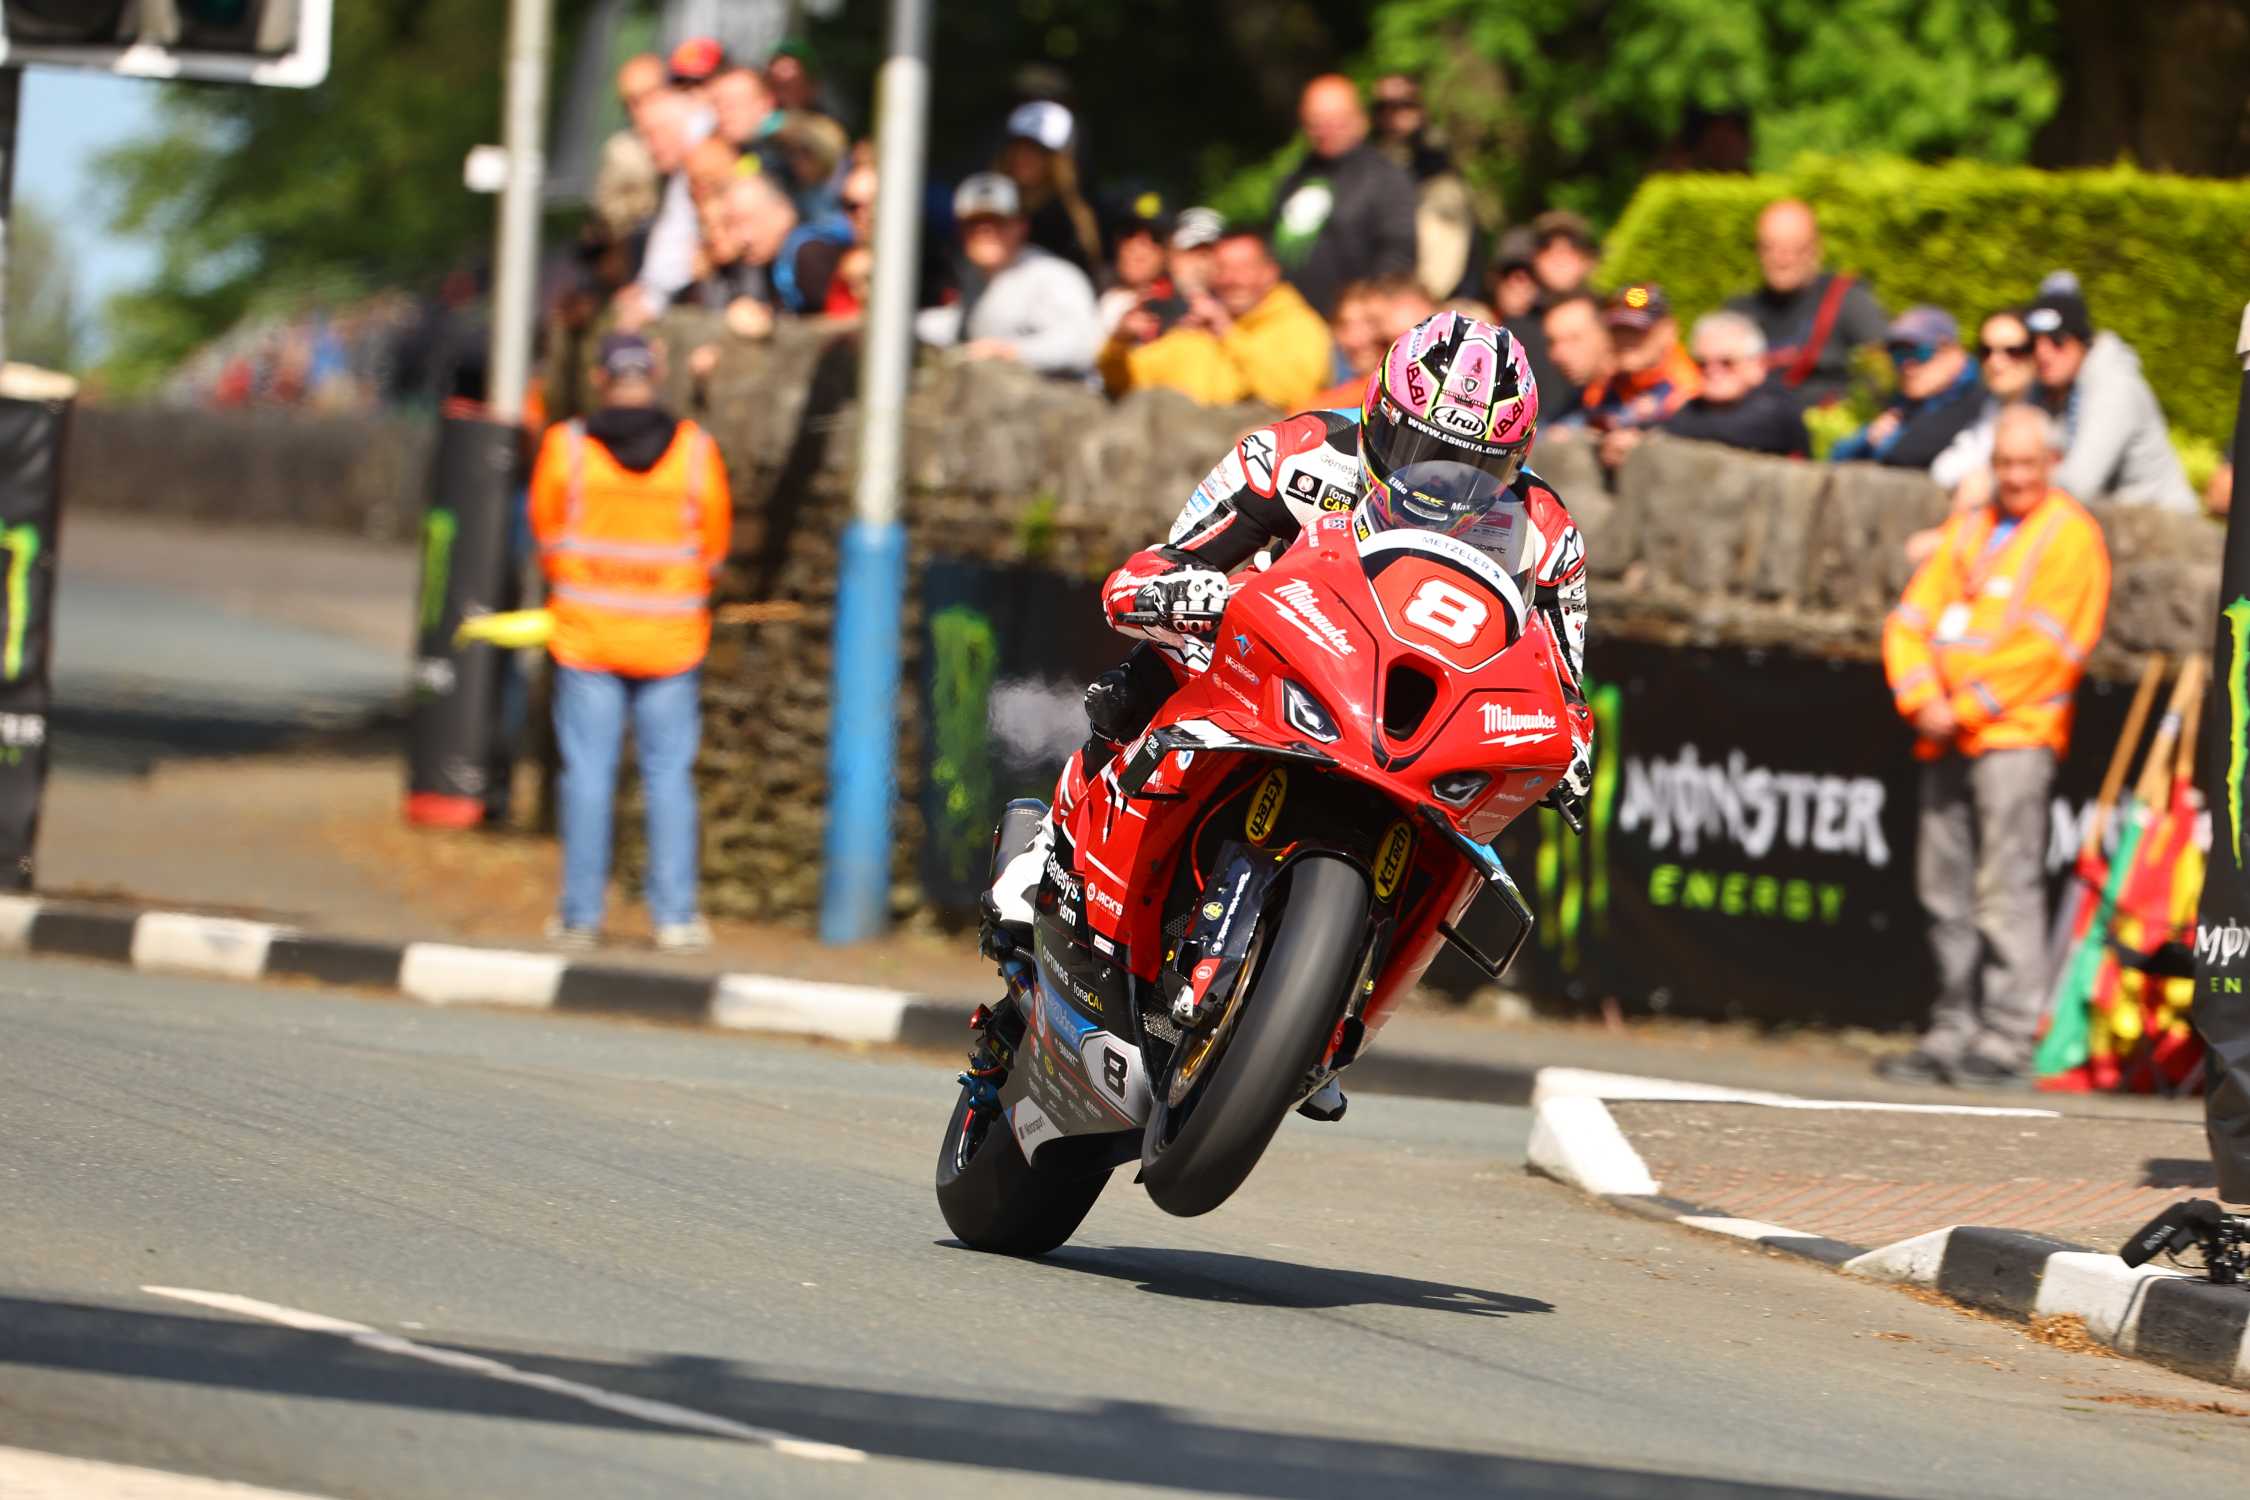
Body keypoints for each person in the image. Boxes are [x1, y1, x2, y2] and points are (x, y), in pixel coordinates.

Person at [986, 312, 1593, 1117]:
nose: (1444, 484)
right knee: (1143, 677)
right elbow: (1161, 563)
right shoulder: (1297, 454)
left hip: (1404, 714)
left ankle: (1327, 1000)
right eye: (1422, 452)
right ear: (1379, 420)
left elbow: (1565, 679)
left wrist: (1571, 754)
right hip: (1263, 660)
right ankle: (1054, 857)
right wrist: (1189, 590)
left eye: (1477, 467)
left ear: (1515, 460)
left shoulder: (1543, 533)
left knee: (1461, 832)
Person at [1879, 404, 2111, 1087]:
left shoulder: (2072, 537)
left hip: (2013, 736)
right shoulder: (1972, 527)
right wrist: (1924, 700)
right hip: (1946, 733)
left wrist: (1963, 705)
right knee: (1943, 889)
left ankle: (2007, 1039)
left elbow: (2052, 647)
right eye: (2004, 464)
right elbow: (1909, 621)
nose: (2013, 477)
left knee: (2004, 889)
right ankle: (1953, 1028)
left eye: (2027, 465)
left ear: (2053, 466)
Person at [528, 333, 732, 953]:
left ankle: (579, 916)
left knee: (588, 776)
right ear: (659, 371)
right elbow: (716, 546)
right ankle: (675, 918)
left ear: (598, 377)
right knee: (668, 777)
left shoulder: (565, 446)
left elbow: (543, 532)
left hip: (587, 638)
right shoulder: (696, 451)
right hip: (671, 641)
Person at [1100, 227, 1333, 410]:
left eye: (1244, 268)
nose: (1232, 279)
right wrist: (1120, 341)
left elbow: (1296, 393)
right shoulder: (1198, 329)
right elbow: (1126, 382)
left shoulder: (1298, 324)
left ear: (1270, 272)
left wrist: (1229, 333)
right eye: (1222, 268)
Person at [2025, 287, 2198, 512]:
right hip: (2122, 527)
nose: (2043, 353)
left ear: (2082, 341)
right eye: (2032, 344)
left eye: (2057, 341)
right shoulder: (2055, 389)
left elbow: (2077, 485)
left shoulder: (2115, 386)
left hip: (2164, 532)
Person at [915, 174, 1102, 380]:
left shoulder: (1051, 275)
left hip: (1066, 405)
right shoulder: (975, 278)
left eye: (998, 221)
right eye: (974, 222)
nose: (985, 230)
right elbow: (951, 324)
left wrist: (1010, 352)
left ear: (1021, 226)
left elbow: (1083, 346)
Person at [1268, 75, 1418, 318]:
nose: (1326, 130)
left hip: (1355, 324)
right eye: (1316, 121)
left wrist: (1368, 307)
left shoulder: (1384, 177)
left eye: (1336, 121)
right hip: (1294, 322)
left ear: (1360, 119)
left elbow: (1398, 254)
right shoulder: (1293, 179)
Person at [1725, 199, 1887, 409]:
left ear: (1816, 249)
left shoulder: (1848, 301)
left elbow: (1884, 373)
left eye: (1794, 248)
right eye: (1770, 247)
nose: (1781, 259)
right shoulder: (1738, 312)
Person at [1829, 307, 1985, 468]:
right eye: (1898, 355)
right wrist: (1868, 439)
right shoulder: (1905, 404)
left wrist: (1887, 442)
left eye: (1920, 353)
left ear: (1952, 353)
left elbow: (1904, 454)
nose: (1907, 366)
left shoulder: (1980, 399)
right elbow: (1836, 456)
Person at [1369, 73, 1478, 301]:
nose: (1394, 115)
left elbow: (1440, 270)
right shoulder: (1367, 164)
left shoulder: (1438, 170)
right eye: (1384, 107)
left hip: (1427, 301)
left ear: (1420, 110)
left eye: (1404, 105)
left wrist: (1416, 303)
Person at [1654, 311, 1808, 457]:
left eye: (1727, 362)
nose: (1712, 371)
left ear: (1756, 364)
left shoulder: (1777, 408)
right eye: (1701, 363)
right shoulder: (1691, 409)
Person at [1582, 284, 1700, 466]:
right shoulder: (1608, 382)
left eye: (1639, 330)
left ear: (1669, 331)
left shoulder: (1688, 387)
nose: (1626, 340)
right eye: (1619, 329)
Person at [1930, 309, 2038, 494]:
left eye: (2013, 352)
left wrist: (1991, 481)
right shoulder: (1990, 407)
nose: (1995, 362)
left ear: (2034, 353)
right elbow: (1944, 469)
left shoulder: (2047, 415)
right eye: (1986, 351)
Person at [994, 100, 1105, 277]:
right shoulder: (989, 211)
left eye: (1036, 150)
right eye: (1018, 146)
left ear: (1058, 161)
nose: (1022, 157)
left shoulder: (1065, 222)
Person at [1487, 227, 1575, 424]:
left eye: (1530, 275)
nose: (1519, 283)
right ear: (1494, 279)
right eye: (1509, 274)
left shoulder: (1549, 331)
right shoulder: (1474, 323)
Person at [593, 54, 666, 239]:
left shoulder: (701, 135)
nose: (640, 109)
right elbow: (609, 215)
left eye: (649, 95)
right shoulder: (622, 152)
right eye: (631, 102)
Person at [1097, 203, 1174, 338]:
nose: (1138, 244)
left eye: (1155, 236)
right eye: (1129, 232)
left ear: (1167, 252)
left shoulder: (1183, 304)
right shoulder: (1094, 297)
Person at [1540, 291, 1614, 421]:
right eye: (1552, 342)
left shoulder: (1645, 396)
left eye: (1573, 339)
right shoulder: (1570, 408)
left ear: (1606, 335)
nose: (1558, 354)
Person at [1528, 210, 1597, 301]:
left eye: (1573, 247)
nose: (1559, 260)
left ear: (1588, 262)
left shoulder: (1612, 309)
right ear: (1535, 259)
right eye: (1547, 246)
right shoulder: (1518, 309)